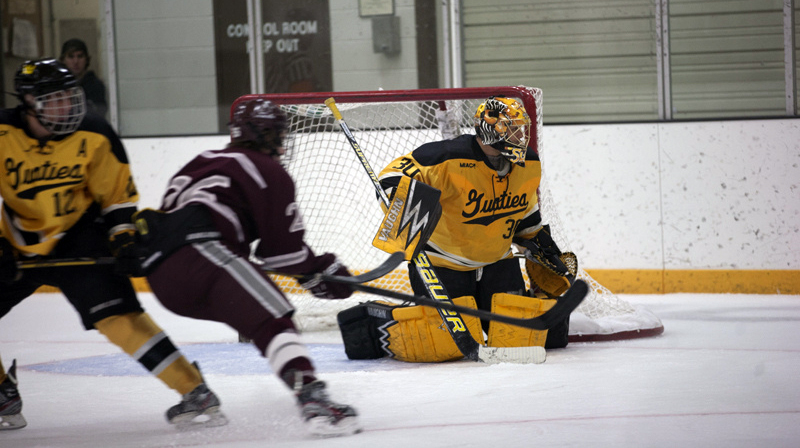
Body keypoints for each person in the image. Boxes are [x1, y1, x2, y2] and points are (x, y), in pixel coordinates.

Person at [0, 58, 225, 430]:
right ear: (28, 102)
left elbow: (116, 198)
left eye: (69, 97)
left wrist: (123, 242)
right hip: (16, 245)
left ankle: (194, 390)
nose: (67, 107)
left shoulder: (95, 133)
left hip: (81, 239)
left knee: (119, 318)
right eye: (55, 100)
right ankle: (3, 395)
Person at [133, 98, 361, 437]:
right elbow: (283, 256)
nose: (282, 143)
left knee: (256, 314)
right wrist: (324, 272)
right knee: (274, 317)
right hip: (203, 259)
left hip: (161, 275)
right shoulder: (268, 170)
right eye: (277, 134)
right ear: (265, 133)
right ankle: (313, 399)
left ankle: (198, 396)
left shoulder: (201, 160)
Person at [338, 96, 575, 362]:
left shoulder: (528, 163)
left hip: (498, 263)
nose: (520, 135)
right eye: (511, 128)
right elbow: (389, 179)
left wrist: (540, 246)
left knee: (537, 337)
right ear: (490, 128)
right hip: (443, 265)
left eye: (521, 128)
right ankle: (376, 320)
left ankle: (529, 301)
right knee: (444, 345)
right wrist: (404, 201)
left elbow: (526, 211)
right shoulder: (445, 157)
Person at [59, 38, 108, 118]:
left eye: (80, 56)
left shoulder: (95, 85)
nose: (76, 61)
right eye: (71, 57)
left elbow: (98, 113)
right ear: (63, 60)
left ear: (86, 59)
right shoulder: (58, 86)